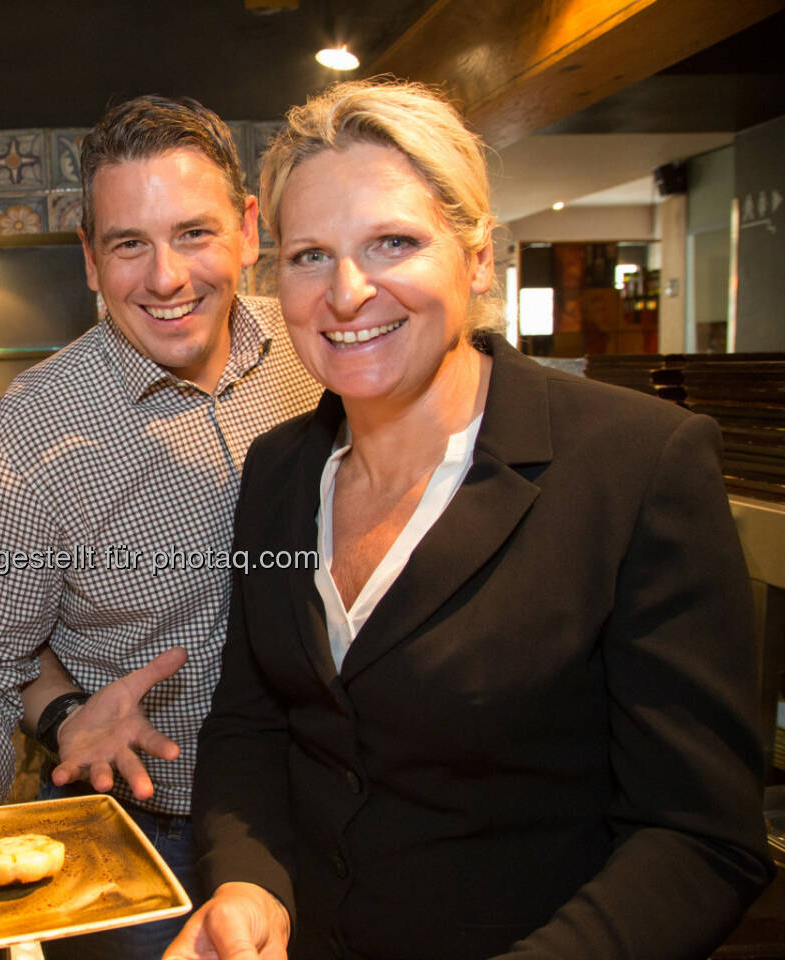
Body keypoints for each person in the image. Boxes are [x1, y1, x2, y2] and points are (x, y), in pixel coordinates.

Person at [168, 79, 772, 960]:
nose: (346, 293)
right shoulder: (280, 471)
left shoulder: (638, 466)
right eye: (309, 256)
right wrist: (248, 882)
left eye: (394, 243)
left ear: (478, 257)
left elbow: (699, 838)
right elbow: (253, 723)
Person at [0, 94, 323, 957]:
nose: (166, 277)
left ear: (250, 229)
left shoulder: (318, 360)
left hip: (327, 812)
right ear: (90, 262)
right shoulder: (31, 436)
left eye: (194, 234)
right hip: (136, 841)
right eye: (129, 244)